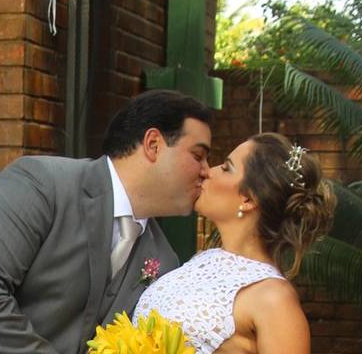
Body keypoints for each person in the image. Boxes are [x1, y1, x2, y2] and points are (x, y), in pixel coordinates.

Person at [0, 89, 214, 354]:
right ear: (153, 144)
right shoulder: (40, 183)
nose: (206, 171)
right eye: (198, 155)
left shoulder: (163, 259)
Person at [132, 132, 336, 354]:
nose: (207, 172)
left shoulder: (273, 299)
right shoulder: (201, 260)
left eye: (227, 167)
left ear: (248, 199)